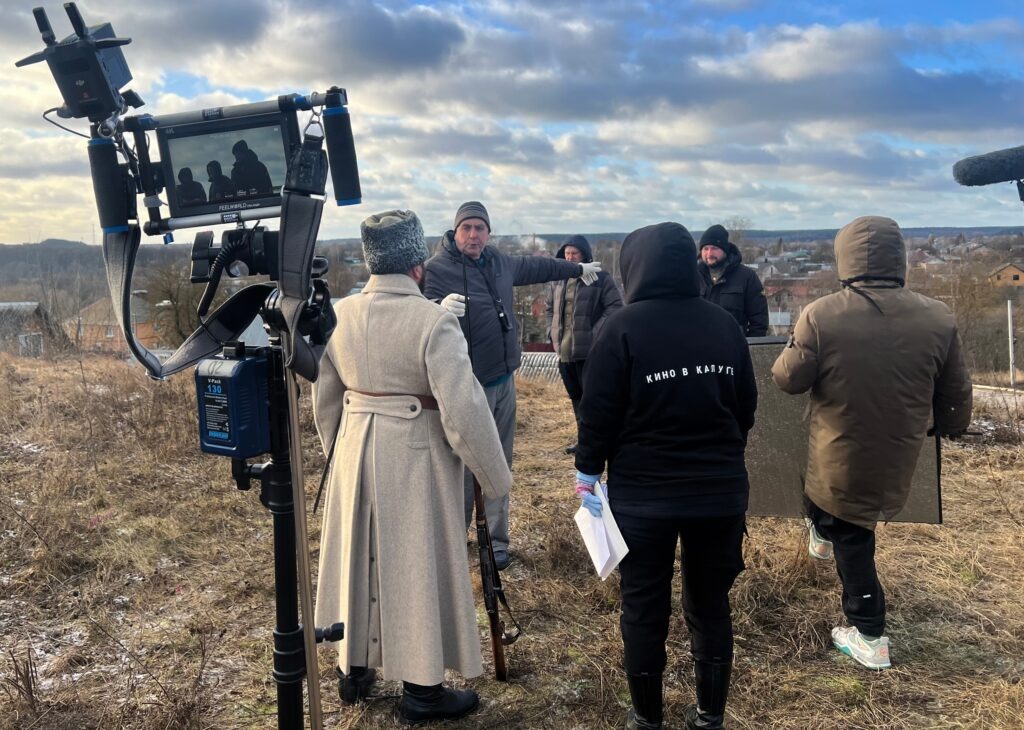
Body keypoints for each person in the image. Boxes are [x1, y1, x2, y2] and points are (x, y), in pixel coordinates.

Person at [313, 210, 513, 723]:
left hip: (354, 450)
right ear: (417, 265)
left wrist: (340, 451)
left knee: (359, 555)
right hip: (415, 458)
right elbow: (464, 411)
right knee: (415, 564)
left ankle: (353, 672)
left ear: (371, 261)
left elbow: (325, 398)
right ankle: (423, 691)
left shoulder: (340, 314)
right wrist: (495, 478)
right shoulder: (433, 321)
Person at [574, 222, 757, 730]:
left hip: (644, 496)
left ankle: (646, 719)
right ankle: (710, 716)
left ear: (634, 267)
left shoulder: (621, 328)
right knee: (711, 603)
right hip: (718, 492)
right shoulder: (724, 325)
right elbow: (745, 407)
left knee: (643, 604)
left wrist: (587, 471)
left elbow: (597, 414)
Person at [772, 215, 972, 671]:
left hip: (839, 446)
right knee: (833, 507)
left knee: (852, 532)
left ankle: (869, 634)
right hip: (900, 445)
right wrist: (950, 426)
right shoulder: (937, 316)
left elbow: (788, 379)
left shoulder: (821, 314)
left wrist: (794, 344)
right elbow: (956, 389)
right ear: (898, 258)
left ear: (845, 257)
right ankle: (822, 532)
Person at [422, 201, 602, 570]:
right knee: (463, 465)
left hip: (503, 381)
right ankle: (455, 541)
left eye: (480, 228)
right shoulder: (437, 268)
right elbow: (415, 306)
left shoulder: (499, 262)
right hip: (464, 385)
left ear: (488, 233)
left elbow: (540, 267)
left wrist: (577, 268)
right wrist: (437, 306)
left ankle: (496, 542)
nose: (473, 235)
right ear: (455, 231)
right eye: (467, 228)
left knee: (500, 462)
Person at [546, 234, 623, 454]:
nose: (570, 258)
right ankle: (584, 442)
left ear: (585, 255)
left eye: (574, 253)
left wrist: (594, 333)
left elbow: (615, 307)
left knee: (593, 400)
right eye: (567, 254)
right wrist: (551, 332)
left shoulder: (600, 278)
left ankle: (601, 442)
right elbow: (549, 309)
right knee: (576, 399)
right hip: (564, 353)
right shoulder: (558, 280)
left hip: (589, 353)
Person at [697, 224, 769, 336]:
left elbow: (759, 321)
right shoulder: (693, 276)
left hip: (733, 344)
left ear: (725, 250)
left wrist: (749, 344)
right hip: (698, 343)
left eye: (714, 248)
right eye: (706, 249)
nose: (709, 253)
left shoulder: (746, 277)